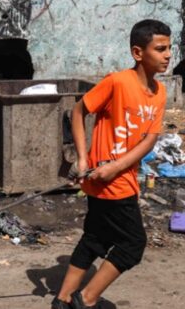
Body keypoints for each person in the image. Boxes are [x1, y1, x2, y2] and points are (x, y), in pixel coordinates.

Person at [53, 19, 171, 309]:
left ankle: (63, 299)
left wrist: (117, 166)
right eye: (160, 49)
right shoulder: (117, 82)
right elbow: (78, 111)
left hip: (117, 175)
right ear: (137, 53)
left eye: (169, 48)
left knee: (96, 237)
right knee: (133, 244)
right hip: (110, 184)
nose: (168, 55)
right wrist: (83, 158)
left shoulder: (159, 92)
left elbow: (149, 140)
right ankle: (86, 300)